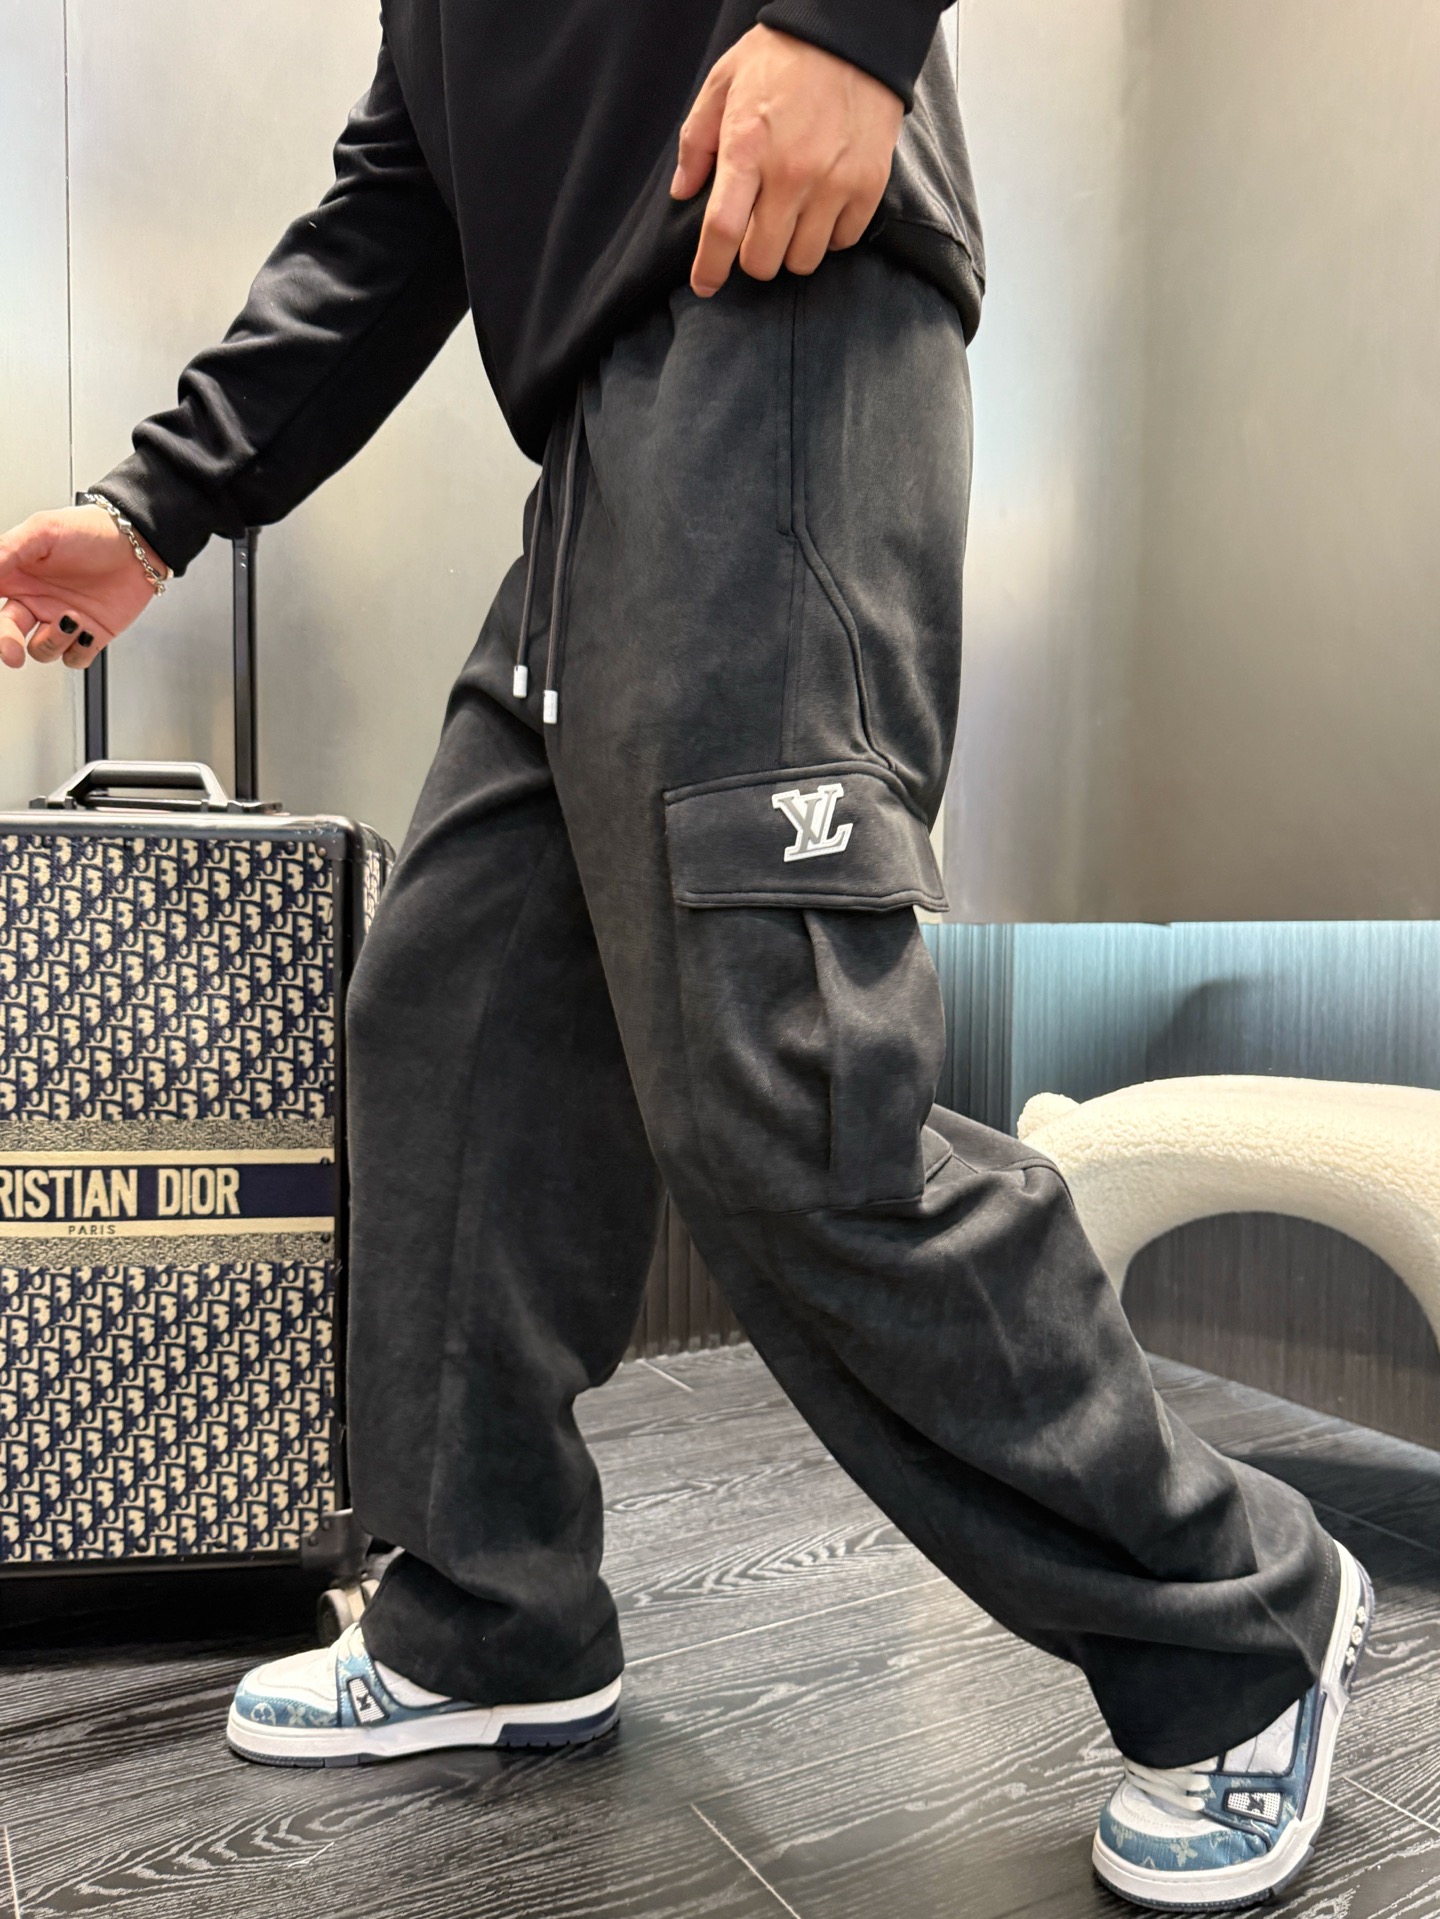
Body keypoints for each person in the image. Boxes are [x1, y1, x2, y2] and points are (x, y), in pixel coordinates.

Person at [0, 7, 1372, 1908]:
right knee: (455, 1021)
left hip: (782, 329)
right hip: (598, 452)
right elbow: (398, 202)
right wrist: (161, 504)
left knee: (784, 1079)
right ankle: (492, 1616)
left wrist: (850, 26)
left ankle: (1238, 1622)